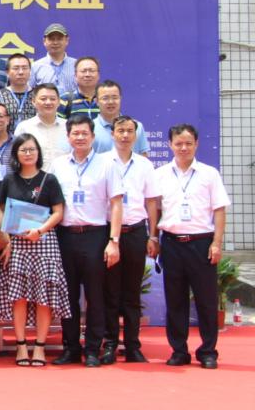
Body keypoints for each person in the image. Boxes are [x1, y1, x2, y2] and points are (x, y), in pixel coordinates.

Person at [50, 114, 123, 367]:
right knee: (67, 296)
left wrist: (114, 240)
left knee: (95, 296)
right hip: (65, 236)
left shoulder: (107, 164)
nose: (80, 137)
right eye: (75, 133)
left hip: (96, 236)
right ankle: (70, 348)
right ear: (68, 137)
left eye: (84, 133)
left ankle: (92, 349)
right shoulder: (58, 165)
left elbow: (116, 204)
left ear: (93, 136)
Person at [155, 124, 230, 369]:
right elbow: (155, 210)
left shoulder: (209, 174)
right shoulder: (160, 174)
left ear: (196, 144)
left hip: (202, 243)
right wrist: (153, 238)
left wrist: (216, 243)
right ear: (170, 145)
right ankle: (179, 350)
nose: (183, 148)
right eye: (178, 143)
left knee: (206, 301)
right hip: (172, 243)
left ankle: (208, 351)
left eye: (188, 143)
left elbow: (219, 209)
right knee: (175, 301)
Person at [0, 134, 71, 367]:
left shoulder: (49, 179)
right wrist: (7, 239)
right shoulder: (9, 180)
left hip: (44, 241)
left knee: (43, 296)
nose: (28, 154)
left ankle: (39, 346)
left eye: (31, 149)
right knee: (18, 296)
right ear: (16, 154)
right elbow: (1, 211)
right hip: (17, 243)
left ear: (38, 152)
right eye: (23, 150)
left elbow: (58, 212)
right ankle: (20, 345)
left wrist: (40, 230)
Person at [100, 116, 160, 364]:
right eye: (120, 131)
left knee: (132, 293)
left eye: (129, 131)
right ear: (112, 134)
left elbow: (151, 202)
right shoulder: (101, 162)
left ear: (136, 135)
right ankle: (110, 343)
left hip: (136, 231)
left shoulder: (145, 165)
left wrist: (152, 235)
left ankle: (133, 345)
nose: (125, 135)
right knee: (109, 292)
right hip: (108, 233)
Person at [13, 83, 68, 171]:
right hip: (34, 178)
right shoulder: (24, 128)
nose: (48, 102)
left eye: (52, 99)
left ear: (58, 102)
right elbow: (16, 157)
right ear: (33, 101)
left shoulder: (68, 127)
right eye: (43, 99)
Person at [92, 80, 151, 155]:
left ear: (120, 98)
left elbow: (143, 157)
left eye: (115, 98)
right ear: (96, 101)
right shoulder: (90, 128)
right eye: (105, 98)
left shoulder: (136, 126)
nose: (111, 102)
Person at [29, 23, 77, 95]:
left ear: (67, 40)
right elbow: (29, 92)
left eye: (59, 39)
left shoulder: (76, 65)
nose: (55, 42)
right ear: (44, 41)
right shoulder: (35, 66)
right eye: (51, 39)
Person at [0, 53, 35, 129]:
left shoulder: (37, 95)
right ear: (7, 72)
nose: (21, 72)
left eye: (25, 68)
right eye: (16, 68)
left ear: (30, 71)